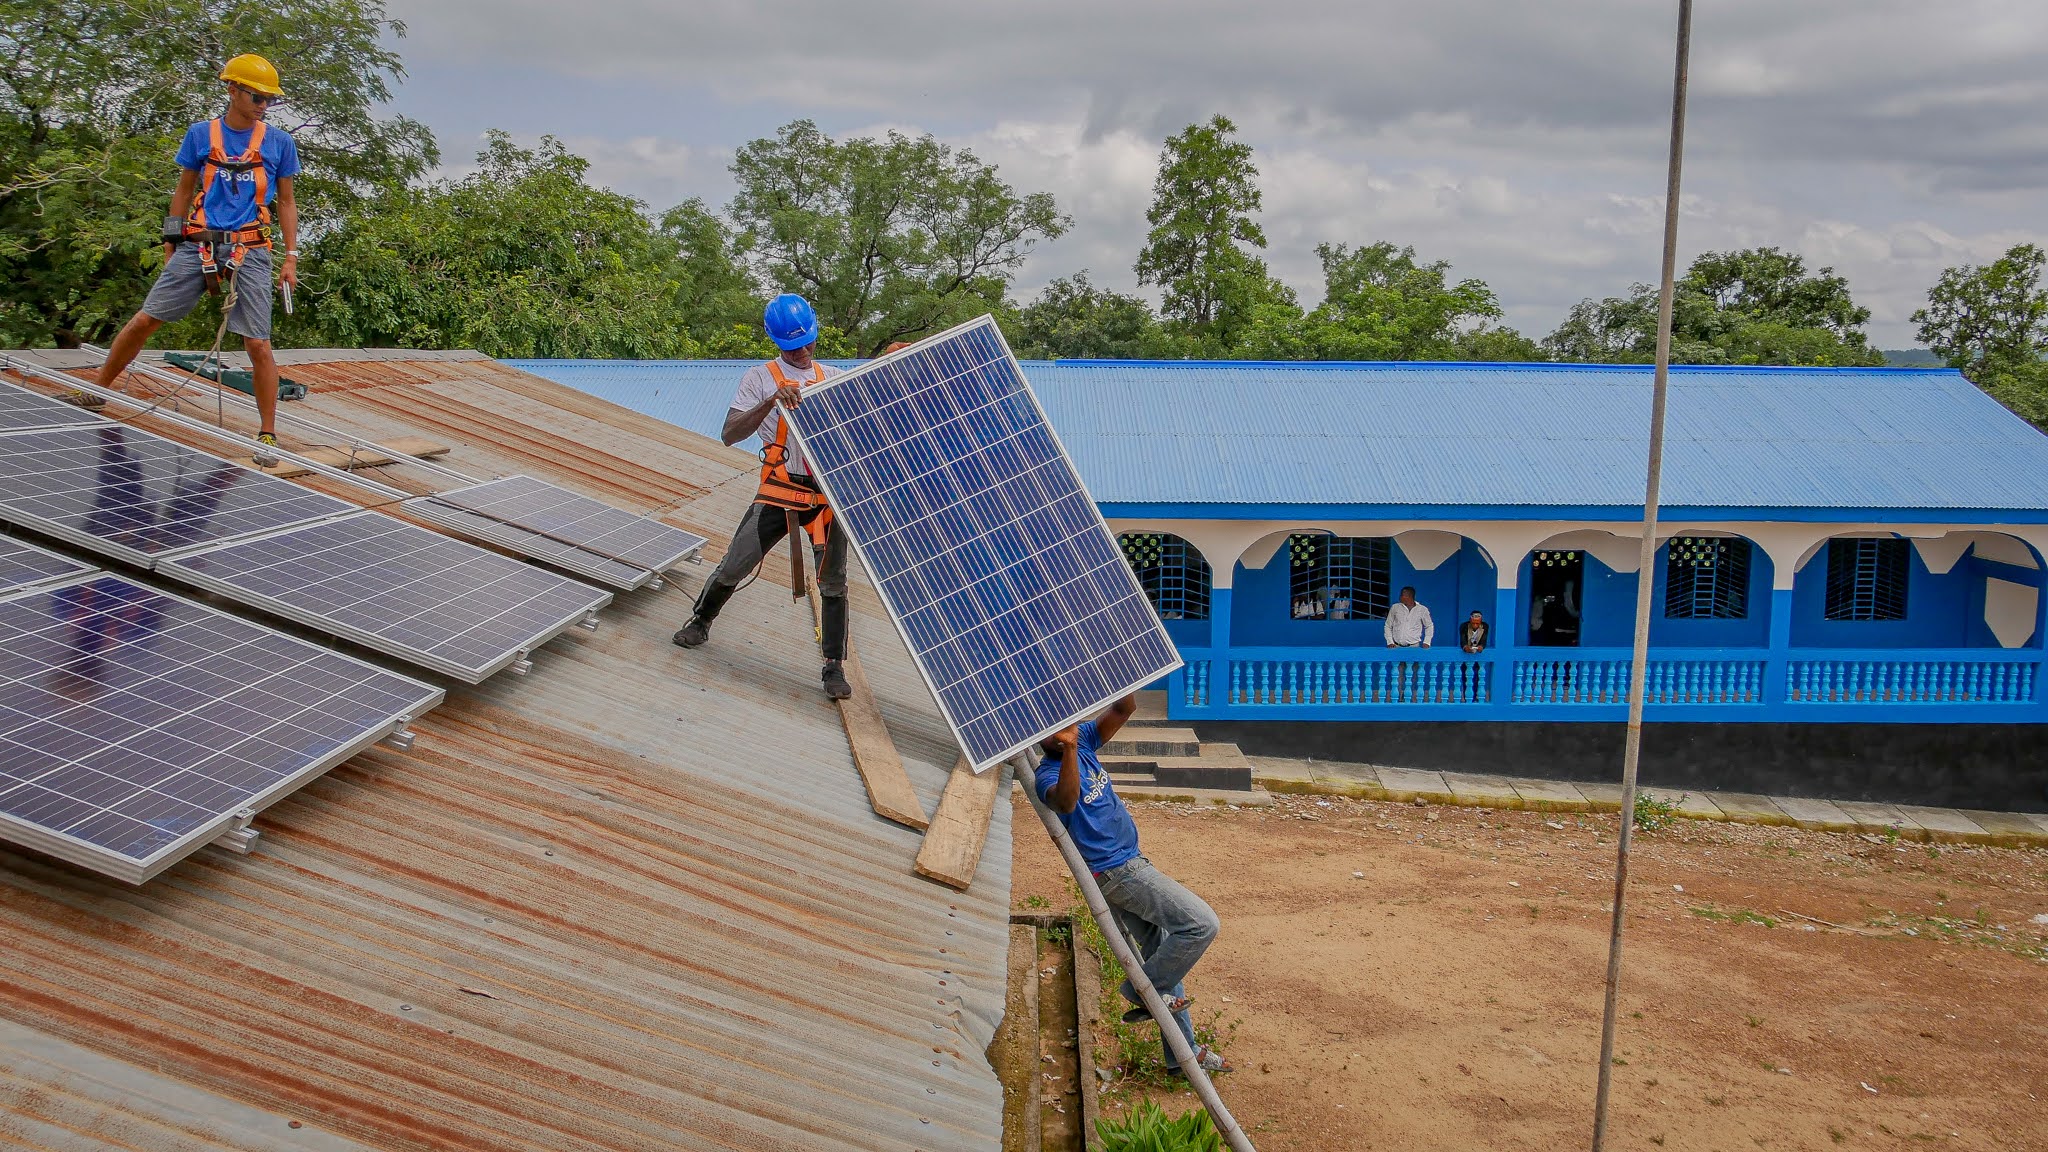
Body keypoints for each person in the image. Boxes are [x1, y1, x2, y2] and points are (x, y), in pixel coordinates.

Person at [94, 54, 300, 465]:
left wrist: (291, 257)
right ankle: (96, 389)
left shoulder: (279, 143)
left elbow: (288, 203)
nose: (263, 105)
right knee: (145, 319)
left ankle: (267, 434)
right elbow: (184, 188)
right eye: (256, 96)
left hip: (251, 248)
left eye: (269, 100)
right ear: (232, 90)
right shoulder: (200, 135)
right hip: (200, 242)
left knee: (257, 341)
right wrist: (172, 234)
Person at [673, 294, 854, 700]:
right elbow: (730, 433)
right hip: (781, 488)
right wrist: (772, 400)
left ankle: (833, 667)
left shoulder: (836, 377)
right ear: (777, 342)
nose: (804, 351)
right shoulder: (759, 378)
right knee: (736, 562)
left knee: (834, 583)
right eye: (794, 346)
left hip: (826, 499)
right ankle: (701, 620)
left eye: (809, 342)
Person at [1039, 695, 1230, 1077]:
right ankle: (1141, 990)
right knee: (1201, 924)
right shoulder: (1048, 773)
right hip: (1117, 873)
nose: (1065, 730)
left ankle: (1181, 1055)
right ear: (1041, 740)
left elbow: (1124, 709)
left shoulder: (1089, 739)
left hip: (1132, 861)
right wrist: (1070, 748)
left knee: (1162, 948)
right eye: (1052, 730)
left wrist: (1117, 678)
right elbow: (1067, 802)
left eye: (1066, 723)